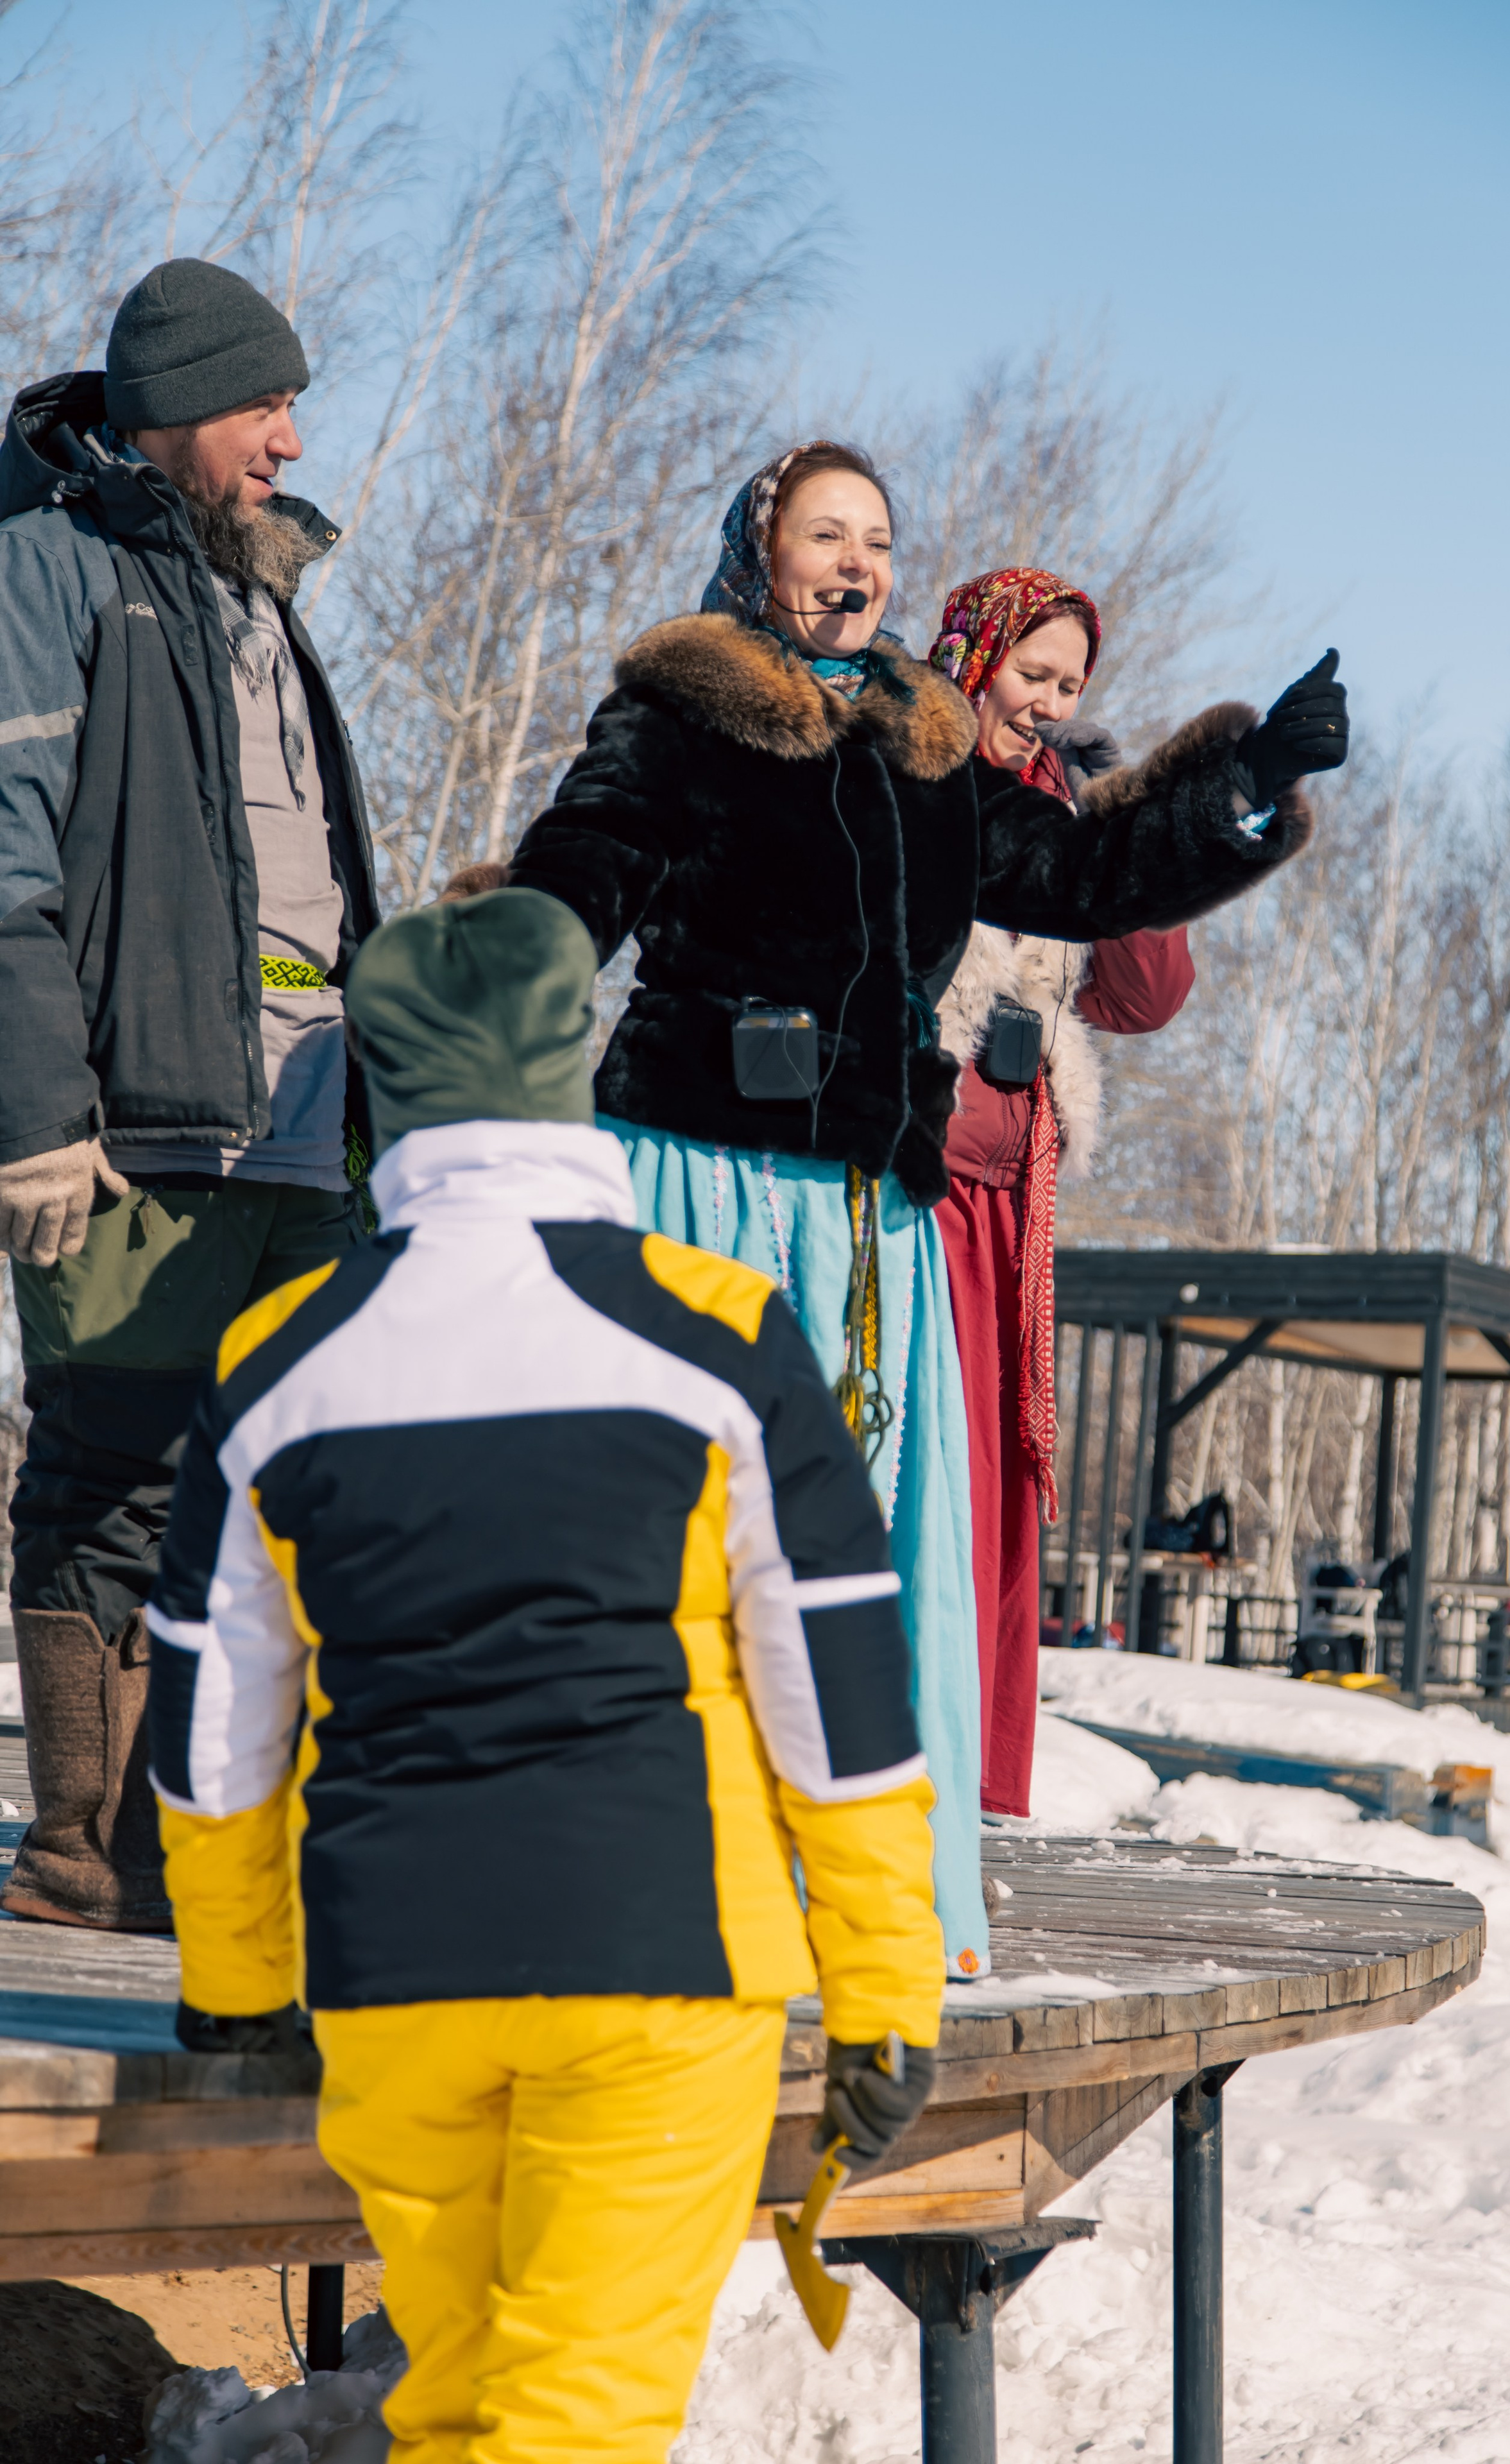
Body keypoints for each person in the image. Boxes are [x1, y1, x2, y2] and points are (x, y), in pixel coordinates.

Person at [494, 438, 1321, 1979]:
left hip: (870, 1206)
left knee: (870, 1548)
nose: (853, 561)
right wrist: (491, 987)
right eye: (822, 534)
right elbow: (580, 867)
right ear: (762, 556)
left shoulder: (924, 741)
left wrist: (1246, 784)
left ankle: (865, 1897)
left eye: (874, 537)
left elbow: (1080, 871)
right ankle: (656, 1884)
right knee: (691, 1539)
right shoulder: (678, 711)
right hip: (702, 1175)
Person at [147, 888, 946, 2464]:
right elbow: (837, 1699)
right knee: (574, 2421)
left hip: (392, 1978)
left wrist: (239, 1981)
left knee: (454, 2399)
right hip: (656, 1961)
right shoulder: (716, 1336)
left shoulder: (278, 1360)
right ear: (577, 1062)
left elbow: (211, 1727)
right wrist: (884, 1988)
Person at [0, 258, 377, 1933]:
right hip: (129, 1127)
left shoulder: (261, 589)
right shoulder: (47, 567)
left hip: (298, 1120)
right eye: (261, 406)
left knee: (279, 1479)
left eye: (295, 405)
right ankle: (83, 1860)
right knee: (113, 1469)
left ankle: (212, 1856)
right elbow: (6, 864)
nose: (291, 439)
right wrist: (32, 1109)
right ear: (164, 405)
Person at [929, 568, 1348, 1818]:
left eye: (1068, 685)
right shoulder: (913, 780)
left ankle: (983, 1785)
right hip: (916, 1168)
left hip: (1020, 1185)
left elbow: (1143, 995)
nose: (1048, 704)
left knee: (1003, 1485)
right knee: (933, 1473)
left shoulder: (1057, 800)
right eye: (1029, 676)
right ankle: (906, 1775)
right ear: (970, 658)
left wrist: (1208, 799)